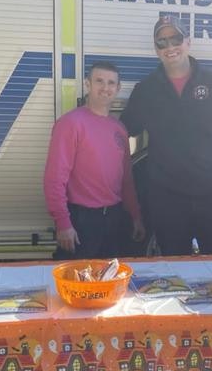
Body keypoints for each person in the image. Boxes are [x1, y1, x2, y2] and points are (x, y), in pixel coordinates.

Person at [121, 15, 212, 255]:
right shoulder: (146, 90)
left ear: (188, 41)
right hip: (168, 198)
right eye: (162, 42)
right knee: (174, 267)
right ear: (156, 49)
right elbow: (122, 131)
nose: (170, 47)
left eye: (176, 38)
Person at [44, 61, 145, 259]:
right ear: (87, 84)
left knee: (111, 285)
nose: (105, 88)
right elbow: (55, 178)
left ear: (118, 88)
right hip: (81, 222)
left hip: (114, 219)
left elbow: (126, 180)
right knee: (78, 286)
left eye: (110, 83)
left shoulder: (119, 129)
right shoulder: (70, 124)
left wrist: (135, 216)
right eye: (99, 81)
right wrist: (63, 223)